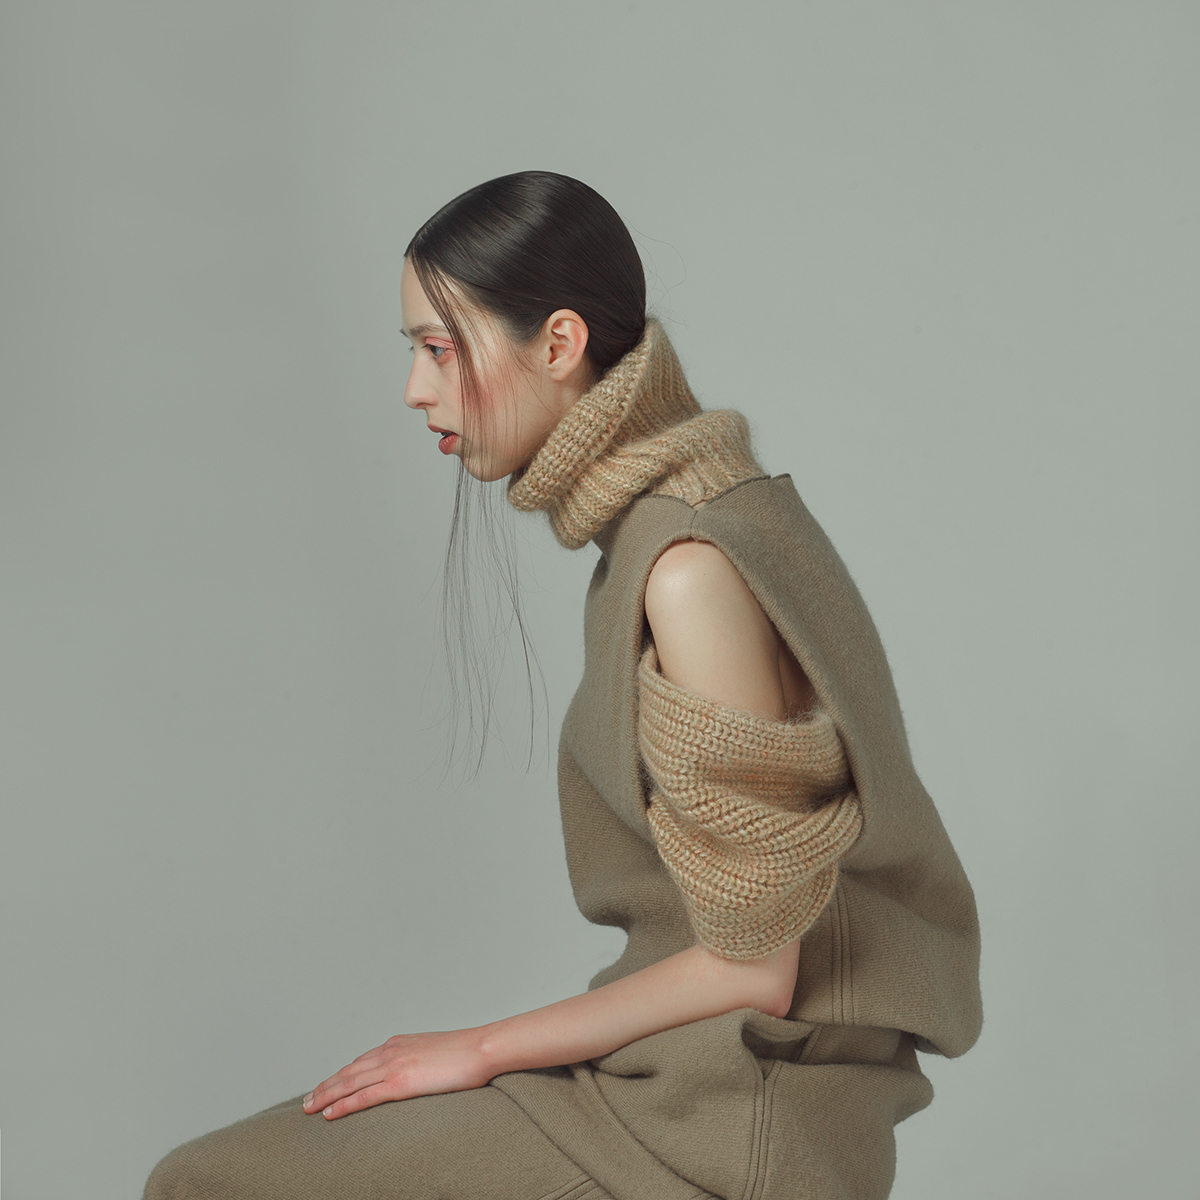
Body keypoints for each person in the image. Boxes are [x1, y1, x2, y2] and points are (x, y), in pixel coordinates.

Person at [144, 171, 982, 1200]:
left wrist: (483, 1048)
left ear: (558, 344)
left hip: (734, 1116)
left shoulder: (686, 566)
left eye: (438, 348)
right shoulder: (700, 515)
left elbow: (756, 967)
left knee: (209, 1186)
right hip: (684, 1078)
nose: (415, 389)